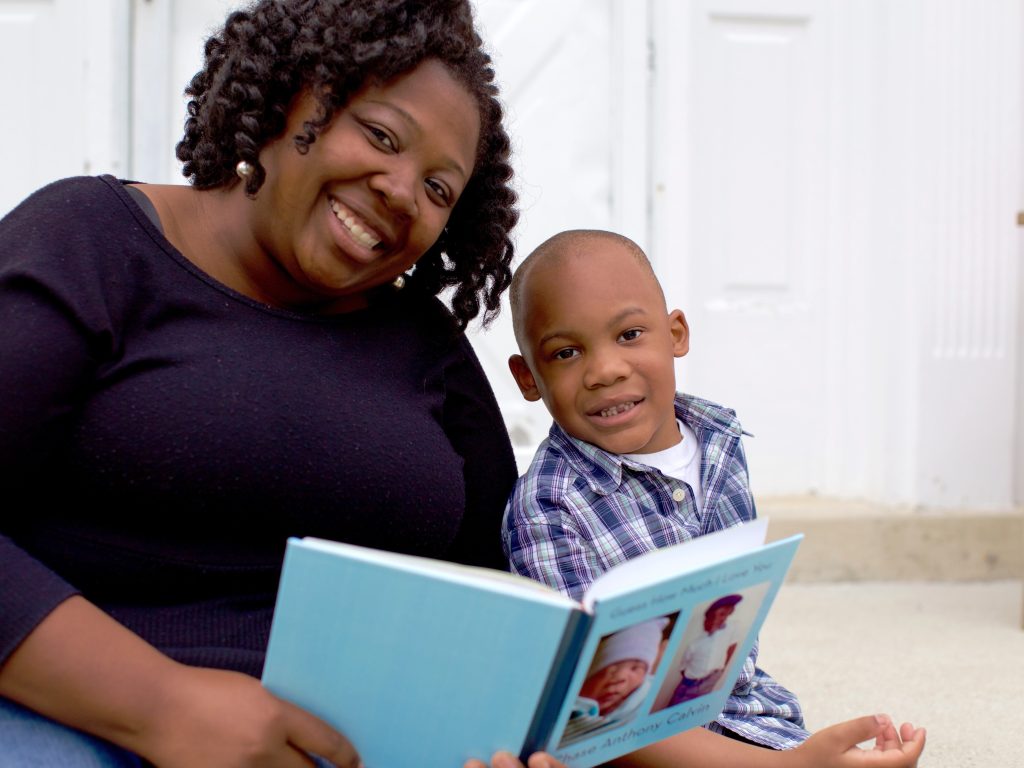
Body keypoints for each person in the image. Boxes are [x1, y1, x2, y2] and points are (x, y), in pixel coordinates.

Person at [0, 2, 553, 767]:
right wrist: (162, 707)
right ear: (294, 95)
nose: (400, 190)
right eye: (382, 135)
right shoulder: (92, 242)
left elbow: (501, 597)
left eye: (438, 189)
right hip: (76, 723)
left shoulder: (424, 348)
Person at [500, 228, 927, 767]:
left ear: (676, 333)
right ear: (528, 377)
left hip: (739, 713)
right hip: (622, 744)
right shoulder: (549, 506)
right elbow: (585, 711)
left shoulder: (720, 441)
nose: (605, 370)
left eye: (629, 334)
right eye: (566, 352)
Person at [560, 617, 669, 746]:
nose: (620, 677)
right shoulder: (570, 708)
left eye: (635, 668)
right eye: (611, 668)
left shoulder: (646, 699)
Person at [669, 595, 743, 706]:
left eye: (724, 614)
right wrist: (688, 678)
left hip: (710, 681)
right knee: (676, 707)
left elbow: (732, 647)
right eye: (716, 615)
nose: (720, 619)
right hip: (690, 683)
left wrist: (721, 670)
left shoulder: (730, 628)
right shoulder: (696, 643)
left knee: (698, 709)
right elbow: (683, 664)